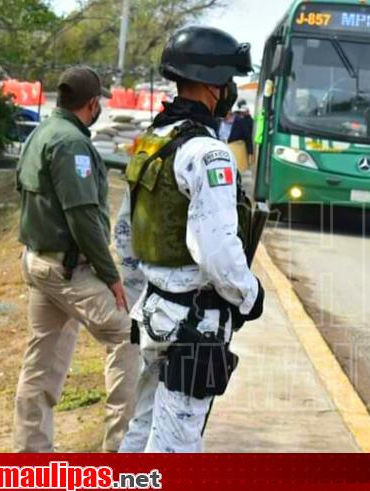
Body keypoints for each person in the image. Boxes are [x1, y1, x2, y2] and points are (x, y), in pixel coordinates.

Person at [115, 25, 264, 453]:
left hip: (156, 312)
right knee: (176, 447)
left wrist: (140, 288)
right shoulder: (208, 153)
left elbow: (125, 232)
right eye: (228, 81)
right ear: (214, 86)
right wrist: (249, 295)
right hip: (193, 323)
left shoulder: (154, 139)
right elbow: (216, 249)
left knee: (143, 428)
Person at [14, 66, 139, 453]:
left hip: (39, 262)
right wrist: (110, 275)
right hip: (67, 269)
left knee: (42, 362)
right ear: (92, 103)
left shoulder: (41, 133)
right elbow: (82, 215)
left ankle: (30, 458)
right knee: (128, 335)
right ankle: (121, 450)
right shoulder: (71, 144)